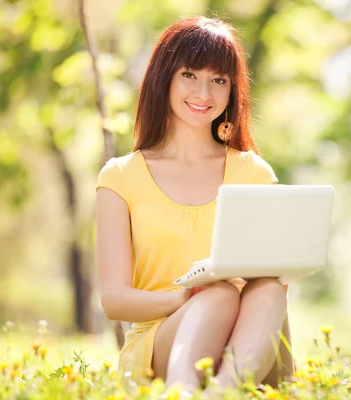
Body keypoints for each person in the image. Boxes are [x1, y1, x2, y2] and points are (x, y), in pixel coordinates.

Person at [95, 16, 294, 391]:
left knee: (268, 288)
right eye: (190, 74)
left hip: (251, 344)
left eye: (219, 80)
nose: (204, 92)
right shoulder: (120, 177)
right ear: (164, 78)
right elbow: (114, 300)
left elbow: (273, 289)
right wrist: (185, 297)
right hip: (163, 342)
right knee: (218, 294)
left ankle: (223, 390)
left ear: (232, 90)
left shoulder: (254, 173)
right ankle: (184, 389)